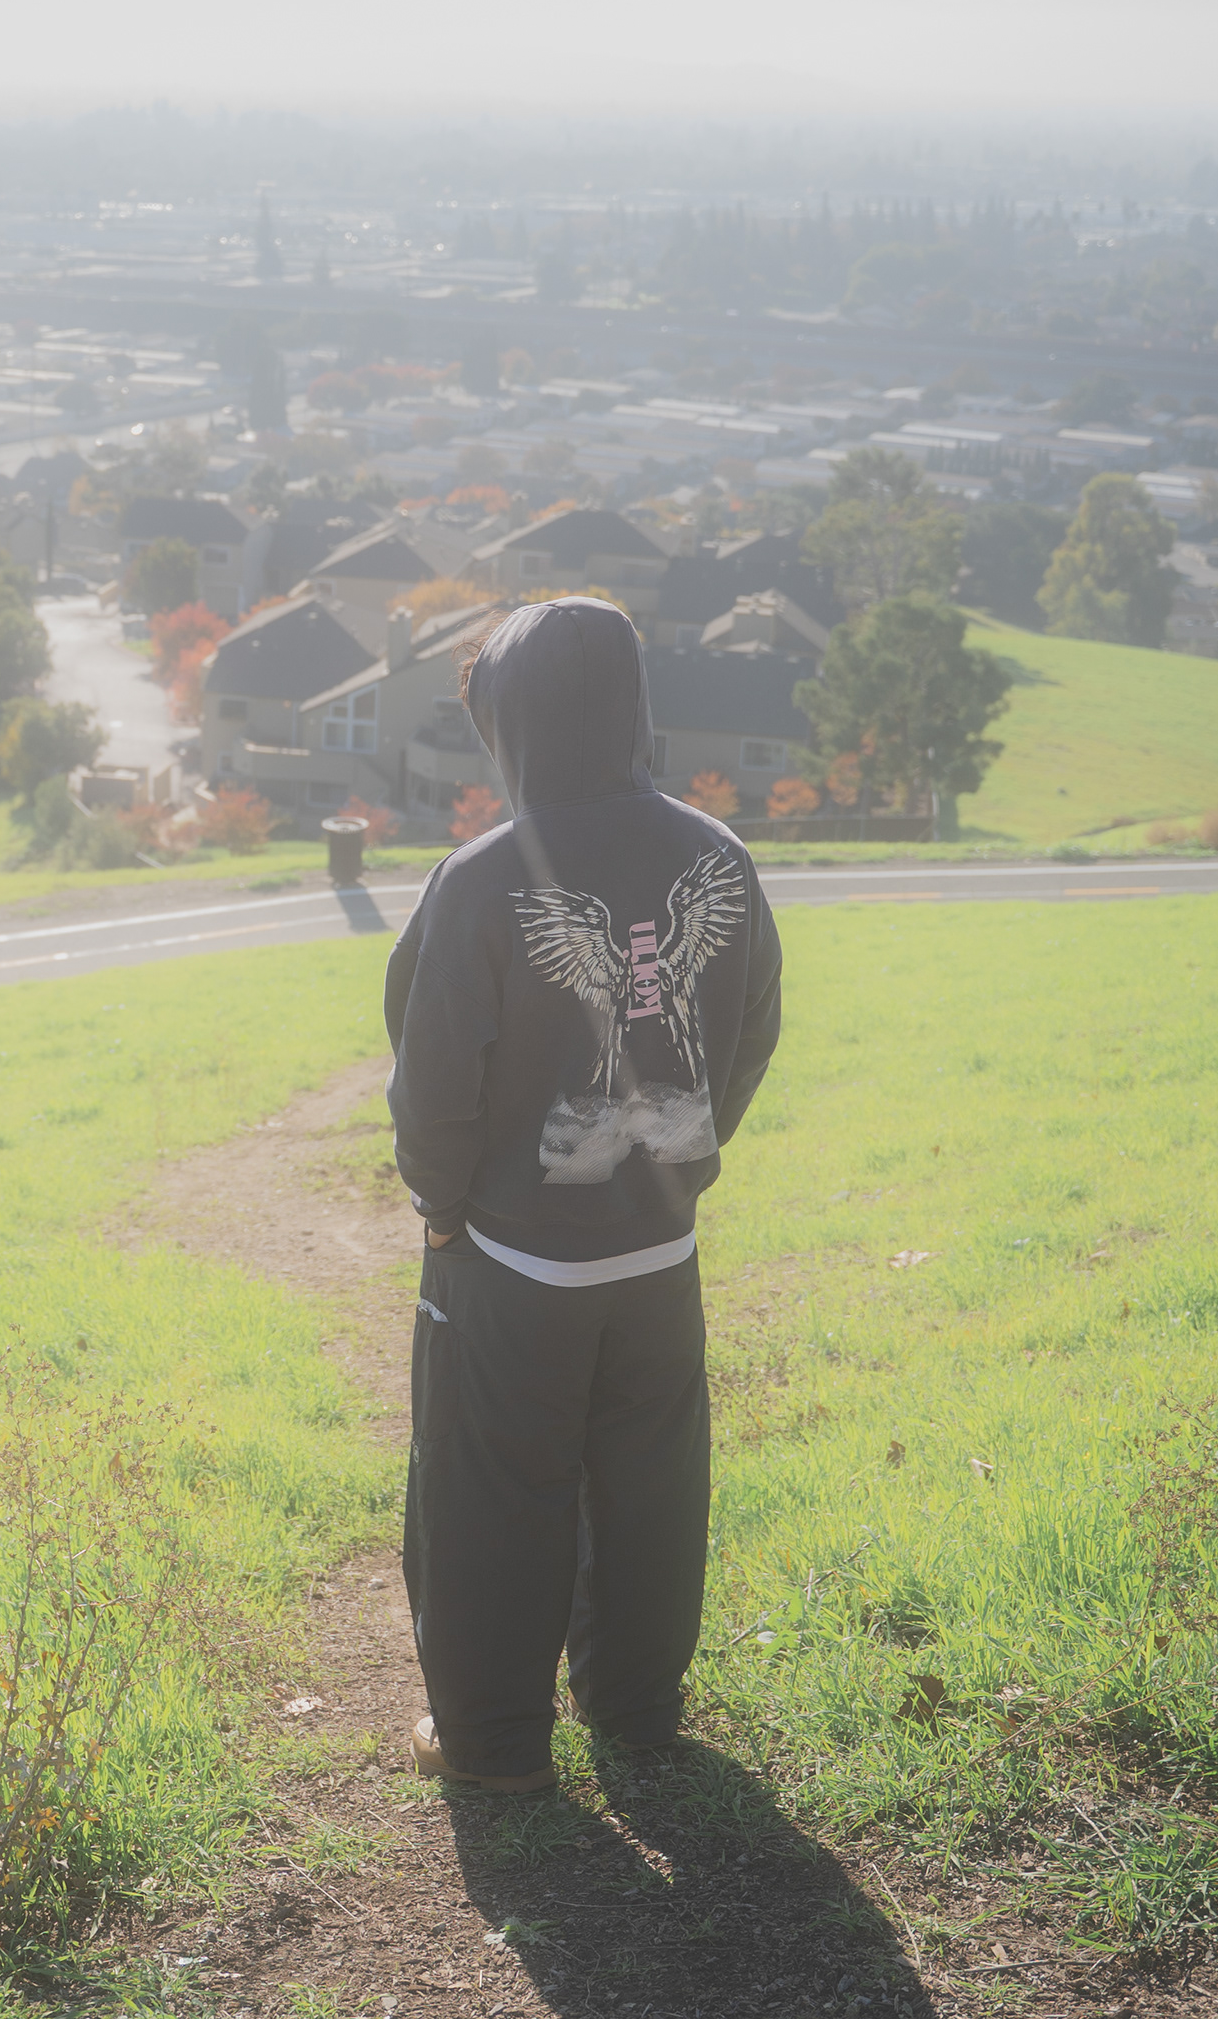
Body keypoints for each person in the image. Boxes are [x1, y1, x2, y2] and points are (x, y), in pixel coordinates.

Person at [384, 597, 784, 1792]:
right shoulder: (719, 854)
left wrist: (442, 1207)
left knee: (492, 1490)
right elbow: (754, 1030)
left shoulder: (482, 877)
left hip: (513, 1263)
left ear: (513, 721)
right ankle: (636, 1710)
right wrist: (682, 1163)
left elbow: (433, 1078)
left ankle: (493, 1743)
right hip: (661, 1254)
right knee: (651, 1485)